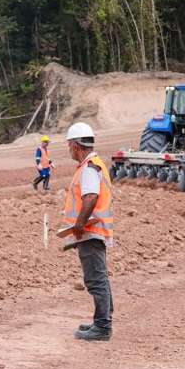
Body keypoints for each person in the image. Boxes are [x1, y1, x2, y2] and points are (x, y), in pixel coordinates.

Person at [62, 122, 114, 341]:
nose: (69, 150)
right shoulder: (96, 164)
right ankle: (101, 321)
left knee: (95, 279)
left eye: (69, 145)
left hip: (91, 231)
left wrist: (80, 224)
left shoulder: (89, 168)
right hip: (95, 230)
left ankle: (102, 327)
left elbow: (90, 197)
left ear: (76, 145)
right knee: (99, 277)